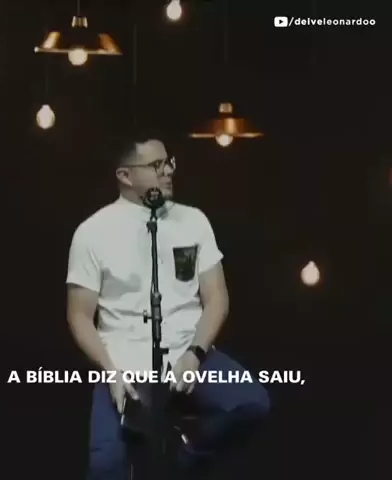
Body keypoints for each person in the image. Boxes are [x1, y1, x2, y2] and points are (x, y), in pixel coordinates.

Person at [66, 131, 270, 479]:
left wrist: (195, 353)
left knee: (251, 403)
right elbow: (79, 315)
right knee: (105, 466)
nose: (168, 171)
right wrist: (111, 373)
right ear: (125, 175)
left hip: (188, 355)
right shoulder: (92, 232)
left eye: (169, 162)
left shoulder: (193, 221)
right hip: (123, 365)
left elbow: (217, 297)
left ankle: (188, 453)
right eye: (156, 165)